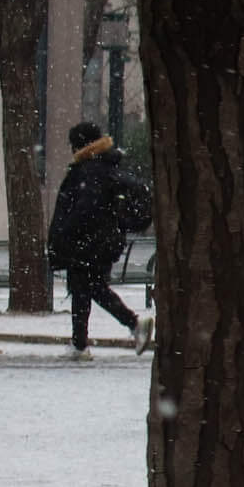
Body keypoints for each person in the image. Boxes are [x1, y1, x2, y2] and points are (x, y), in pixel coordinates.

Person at [46, 121, 154, 360]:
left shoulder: (89, 170)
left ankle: (132, 325)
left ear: (80, 144)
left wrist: (64, 233)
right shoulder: (104, 166)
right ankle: (80, 345)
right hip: (101, 242)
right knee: (84, 289)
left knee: (89, 288)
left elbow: (85, 208)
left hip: (88, 243)